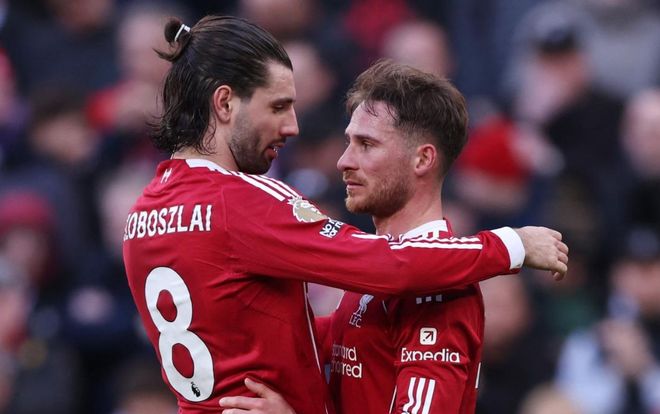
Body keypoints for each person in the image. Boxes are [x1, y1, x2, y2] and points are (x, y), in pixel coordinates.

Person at [122, 15, 568, 414]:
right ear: (224, 104)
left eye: (366, 144)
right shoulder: (242, 203)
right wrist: (510, 244)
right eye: (278, 106)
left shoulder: (141, 215)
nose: (294, 128)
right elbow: (388, 265)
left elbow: (272, 330)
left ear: (423, 159)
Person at [219, 61, 567, 414]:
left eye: (366, 144)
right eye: (348, 142)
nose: (344, 161)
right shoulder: (375, 270)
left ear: (423, 159)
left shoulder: (438, 291)